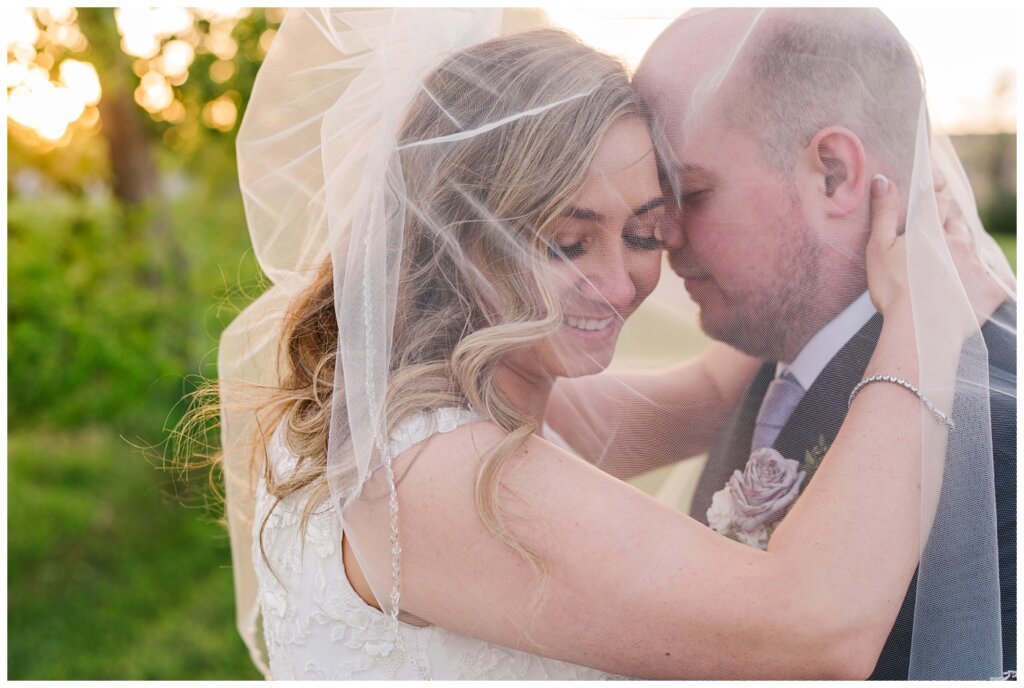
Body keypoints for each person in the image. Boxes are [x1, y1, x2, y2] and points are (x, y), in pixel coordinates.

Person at [206, 8, 993, 680]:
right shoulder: (440, 475)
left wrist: (836, 242)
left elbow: (709, 396)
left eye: (646, 231)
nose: (620, 284)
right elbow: (816, 630)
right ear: (458, 237)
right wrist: (923, 325)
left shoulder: (428, 406)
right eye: (566, 244)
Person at [608, 7, 1014, 680]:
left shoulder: (1002, 443)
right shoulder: (773, 357)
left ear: (833, 173)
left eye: (692, 192)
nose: (664, 235)